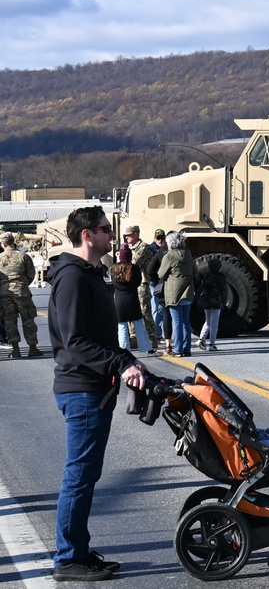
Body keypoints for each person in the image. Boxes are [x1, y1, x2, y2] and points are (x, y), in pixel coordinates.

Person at [49, 206, 148, 581]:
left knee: (86, 474)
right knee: (79, 475)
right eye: (106, 230)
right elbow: (75, 343)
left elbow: (99, 337)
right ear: (87, 235)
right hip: (83, 391)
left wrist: (126, 358)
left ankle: (76, 549)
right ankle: (68, 558)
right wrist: (119, 364)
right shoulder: (73, 278)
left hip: (93, 389)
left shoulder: (89, 274)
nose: (112, 236)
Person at [0, 231, 42, 357]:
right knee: (28, 319)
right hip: (22, 291)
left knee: (9, 321)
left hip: (5, 293)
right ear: (13, 242)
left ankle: (16, 350)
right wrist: (22, 284)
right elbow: (31, 274)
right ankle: (32, 348)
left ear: (3, 243)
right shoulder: (24, 256)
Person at [109, 254, 157, 357]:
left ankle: (124, 349)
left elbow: (113, 282)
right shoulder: (134, 268)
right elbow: (138, 282)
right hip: (132, 298)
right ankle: (146, 348)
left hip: (119, 299)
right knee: (139, 324)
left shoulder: (114, 268)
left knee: (122, 326)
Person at [157, 231, 195, 357]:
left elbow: (161, 274)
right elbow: (195, 271)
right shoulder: (188, 254)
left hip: (174, 292)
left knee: (177, 321)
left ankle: (178, 350)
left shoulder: (169, 256)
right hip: (188, 291)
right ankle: (186, 349)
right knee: (186, 322)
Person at [123, 225, 158, 350]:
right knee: (130, 310)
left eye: (129, 235)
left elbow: (133, 263)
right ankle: (134, 337)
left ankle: (152, 337)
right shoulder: (129, 248)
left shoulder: (143, 247)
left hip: (141, 283)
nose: (127, 237)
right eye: (126, 235)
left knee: (144, 311)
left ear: (136, 234)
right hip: (130, 282)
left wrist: (123, 257)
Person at [196, 257, 227, 351]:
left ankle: (201, 339)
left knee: (207, 321)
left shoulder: (205, 276)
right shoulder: (221, 277)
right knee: (214, 324)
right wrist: (223, 300)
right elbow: (224, 291)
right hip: (216, 302)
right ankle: (212, 344)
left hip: (206, 301)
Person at [147, 229, 167, 345]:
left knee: (160, 309)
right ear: (154, 238)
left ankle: (158, 334)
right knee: (156, 308)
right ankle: (156, 334)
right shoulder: (150, 249)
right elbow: (150, 268)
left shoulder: (165, 250)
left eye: (162, 238)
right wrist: (155, 280)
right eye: (158, 238)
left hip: (161, 282)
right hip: (154, 282)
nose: (160, 240)